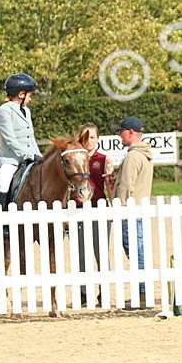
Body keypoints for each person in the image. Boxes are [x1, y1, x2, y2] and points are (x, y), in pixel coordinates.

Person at [113, 116, 153, 303]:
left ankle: (142, 294)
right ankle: (143, 292)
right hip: (139, 208)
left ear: (130, 133)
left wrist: (119, 208)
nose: (119, 135)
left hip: (129, 211)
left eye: (121, 132)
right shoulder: (144, 154)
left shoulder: (133, 156)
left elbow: (126, 187)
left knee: (135, 253)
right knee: (138, 251)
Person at [74, 122, 114, 307]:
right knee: (81, 253)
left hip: (99, 207)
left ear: (97, 139)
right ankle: (83, 293)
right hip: (78, 209)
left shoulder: (104, 159)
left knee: (101, 252)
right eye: (85, 137)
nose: (89, 141)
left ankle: (103, 292)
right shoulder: (74, 159)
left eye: (92, 137)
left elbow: (109, 186)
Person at [0, 73, 40, 208]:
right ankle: (1, 217)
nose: (30, 99)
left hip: (31, 156)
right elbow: (10, 140)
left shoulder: (26, 110)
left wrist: (39, 156)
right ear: (21, 94)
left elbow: (30, 138)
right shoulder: (4, 111)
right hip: (11, 159)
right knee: (4, 182)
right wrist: (30, 155)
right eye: (29, 95)